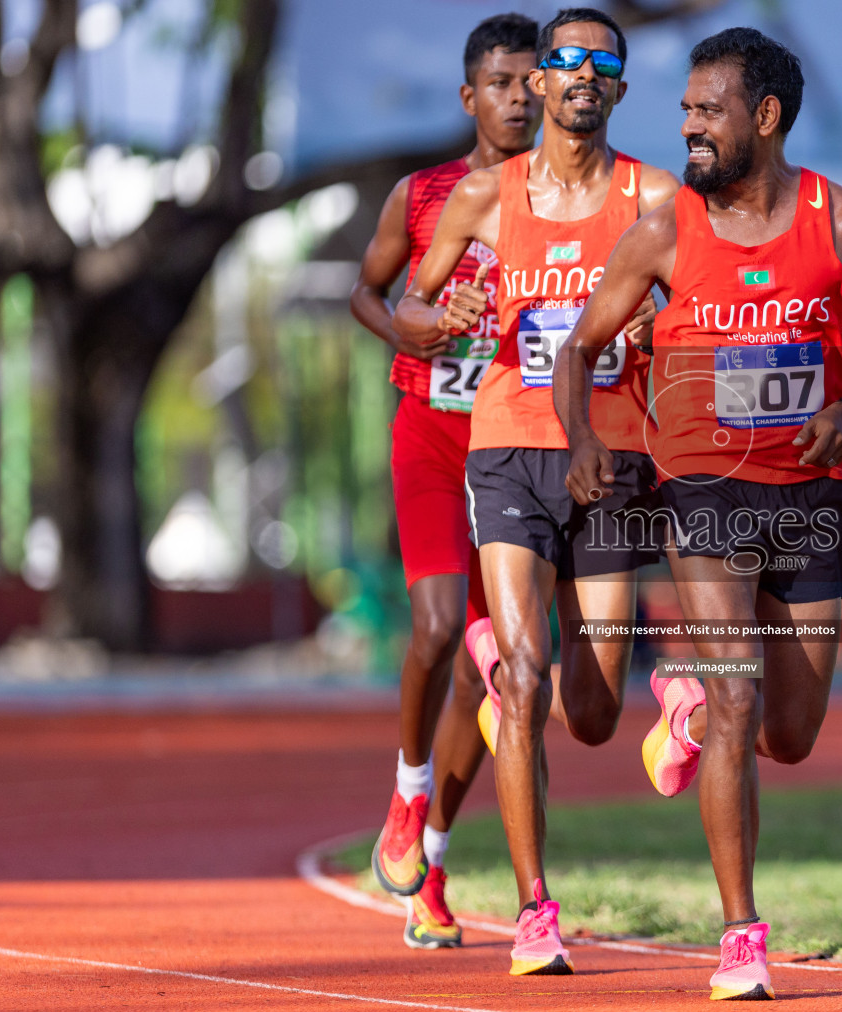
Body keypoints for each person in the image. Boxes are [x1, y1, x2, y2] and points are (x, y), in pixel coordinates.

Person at [554, 26, 842, 1001]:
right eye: (684, 110)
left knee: (790, 732)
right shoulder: (667, 230)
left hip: (813, 498)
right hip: (704, 493)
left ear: (764, 116)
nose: (688, 127)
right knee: (738, 696)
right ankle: (741, 934)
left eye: (706, 109)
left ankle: (683, 700)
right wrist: (587, 443)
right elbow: (578, 348)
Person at [392, 7, 678, 977]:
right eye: (566, 61)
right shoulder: (484, 195)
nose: (583, 73)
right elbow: (412, 304)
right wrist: (451, 311)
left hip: (612, 459)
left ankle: (643, 701)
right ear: (540, 86)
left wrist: (655, 333)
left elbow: (702, 304)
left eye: (604, 62)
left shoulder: (653, 194)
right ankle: (532, 908)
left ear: (619, 90)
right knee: (521, 673)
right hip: (509, 448)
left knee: (592, 712)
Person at [348, 13, 539, 951]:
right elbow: (369, 290)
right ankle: (406, 789)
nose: (518, 97)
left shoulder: (570, 203)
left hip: (518, 445)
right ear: (470, 96)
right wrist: (410, 329)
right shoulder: (425, 194)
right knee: (435, 623)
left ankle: (433, 854)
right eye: (500, 82)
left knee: (489, 667)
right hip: (432, 434)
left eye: (530, 81)